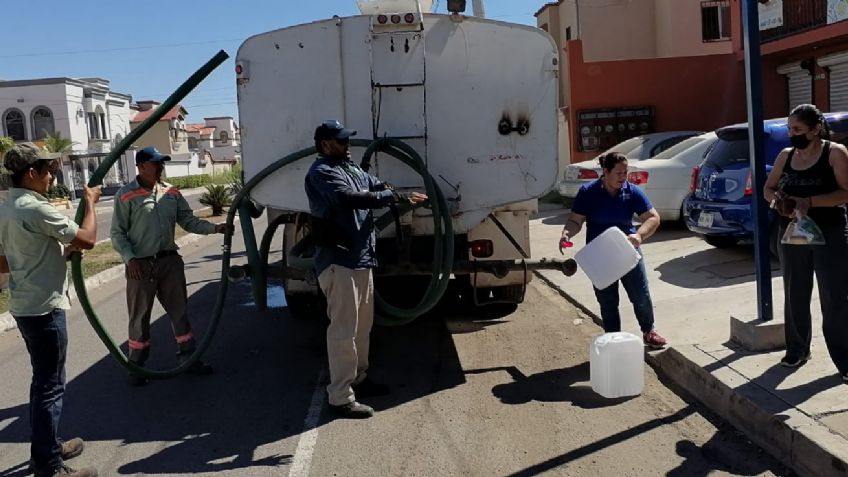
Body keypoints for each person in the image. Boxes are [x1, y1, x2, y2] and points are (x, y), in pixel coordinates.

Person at [305, 120, 427, 419]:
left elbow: (373, 185)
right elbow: (348, 199)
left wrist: (392, 190)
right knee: (344, 330)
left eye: (347, 141)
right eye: (341, 141)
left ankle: (358, 378)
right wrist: (391, 197)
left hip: (360, 258)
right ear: (325, 145)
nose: (347, 146)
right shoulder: (322, 173)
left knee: (362, 327)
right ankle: (340, 397)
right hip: (338, 261)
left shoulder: (352, 169)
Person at [0, 143, 101, 477]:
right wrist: (90, 203)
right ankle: (49, 466)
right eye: (49, 170)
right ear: (31, 173)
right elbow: (87, 238)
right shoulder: (35, 208)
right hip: (44, 308)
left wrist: (53, 255)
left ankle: (49, 447)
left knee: (41, 383)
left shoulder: (6, 207)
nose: (52, 175)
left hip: (23, 303)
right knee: (50, 387)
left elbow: (7, 259)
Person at [111, 146, 229, 386]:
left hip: (169, 263)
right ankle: (137, 367)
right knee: (139, 317)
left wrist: (214, 228)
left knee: (180, 312)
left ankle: (189, 358)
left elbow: (187, 220)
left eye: (161, 163)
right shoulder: (126, 195)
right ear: (141, 166)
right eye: (155, 164)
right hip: (140, 266)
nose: (160, 168)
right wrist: (129, 258)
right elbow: (117, 233)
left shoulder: (171, 193)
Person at [764, 103, 848, 377]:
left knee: (834, 296)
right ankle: (797, 349)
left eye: (798, 129)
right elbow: (769, 187)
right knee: (795, 292)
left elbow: (845, 193)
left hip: (829, 233)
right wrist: (778, 200)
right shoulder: (785, 156)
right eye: (790, 129)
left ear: (816, 129)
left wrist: (809, 201)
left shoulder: (834, 153)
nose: (792, 134)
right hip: (792, 233)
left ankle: (844, 358)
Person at [560, 151, 668, 348]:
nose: (623, 177)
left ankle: (649, 331)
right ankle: (613, 340)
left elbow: (653, 217)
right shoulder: (588, 192)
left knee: (640, 295)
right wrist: (567, 234)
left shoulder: (631, 191)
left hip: (627, 251)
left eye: (625, 173)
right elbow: (575, 220)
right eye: (619, 173)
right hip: (600, 256)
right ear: (606, 171)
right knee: (608, 303)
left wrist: (639, 235)